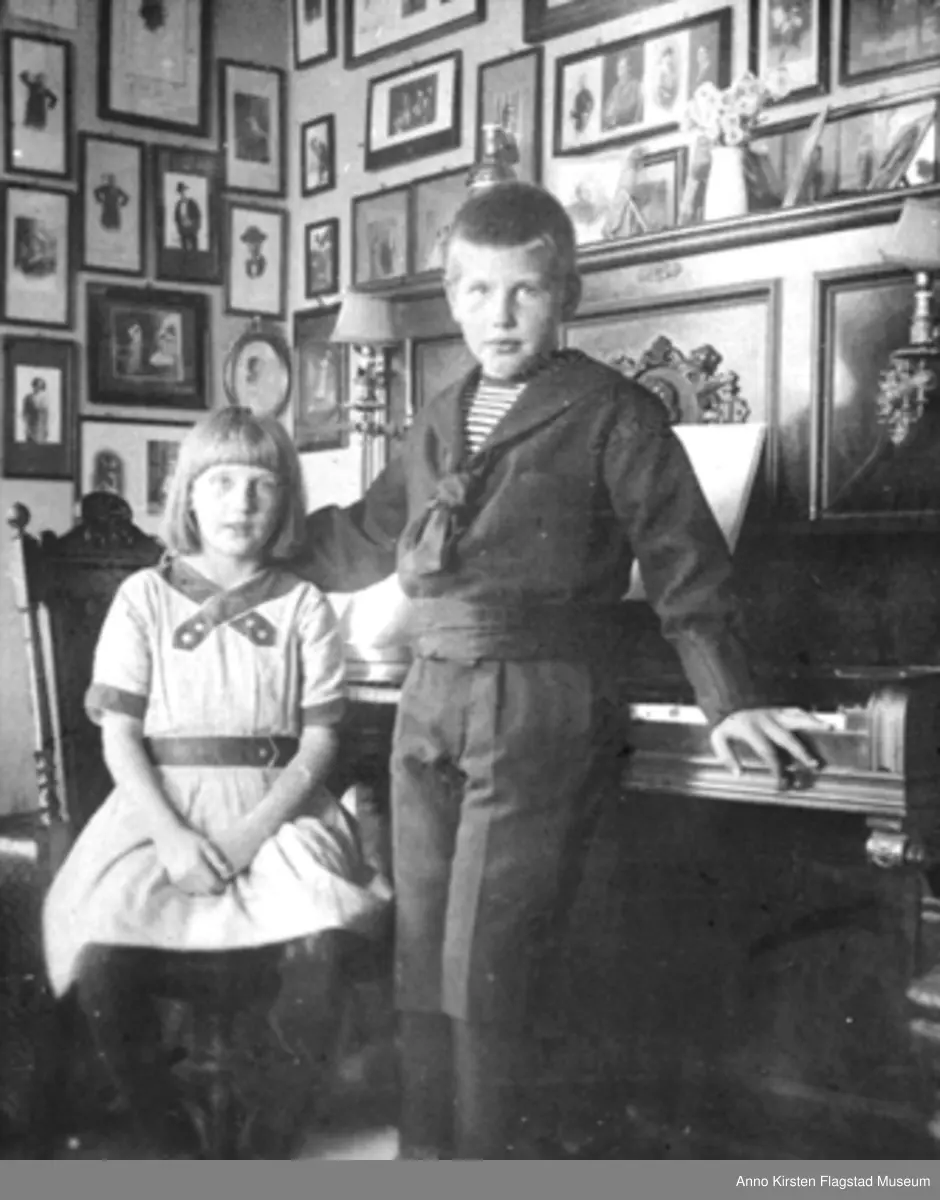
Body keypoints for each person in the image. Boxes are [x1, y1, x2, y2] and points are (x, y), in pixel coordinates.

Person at [296, 182, 823, 1160]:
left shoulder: (613, 413)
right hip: (428, 699)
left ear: (566, 294)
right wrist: (246, 546)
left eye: (525, 291)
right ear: (451, 298)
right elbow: (369, 534)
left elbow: (683, 565)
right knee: (421, 963)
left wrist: (731, 700)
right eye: (478, 291)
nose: (499, 315)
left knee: (486, 969)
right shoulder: (438, 412)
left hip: (537, 702)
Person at [42, 407, 391, 1147]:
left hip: (279, 814)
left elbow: (322, 741)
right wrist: (171, 837)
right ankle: (169, 1143)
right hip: (160, 812)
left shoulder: (303, 605)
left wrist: (248, 836)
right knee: (101, 946)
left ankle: (268, 1141)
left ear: (285, 502)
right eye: (222, 482)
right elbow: (121, 736)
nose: (242, 503)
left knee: (322, 942)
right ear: (188, 497)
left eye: (263, 485)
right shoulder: (144, 597)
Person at [602, 51, 644, 130]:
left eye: (622, 67)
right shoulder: (615, 89)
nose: (619, 70)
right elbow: (607, 114)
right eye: (618, 67)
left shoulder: (636, 85)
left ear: (629, 68)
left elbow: (637, 110)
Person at [173, 181, 202, 254]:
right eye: (180, 192)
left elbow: (198, 215)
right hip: (183, 231)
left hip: (192, 230)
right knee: (184, 250)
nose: (182, 193)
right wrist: (181, 226)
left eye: (183, 191)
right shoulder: (178, 205)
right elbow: (176, 218)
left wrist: (192, 223)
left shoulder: (192, 203)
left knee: (194, 250)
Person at [20, 377, 50, 444]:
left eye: (41, 387)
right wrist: (27, 427)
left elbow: (45, 416)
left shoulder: (44, 399)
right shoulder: (28, 398)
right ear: (33, 386)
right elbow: (24, 414)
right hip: (31, 427)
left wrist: (45, 429)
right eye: (37, 386)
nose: (38, 389)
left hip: (40, 428)